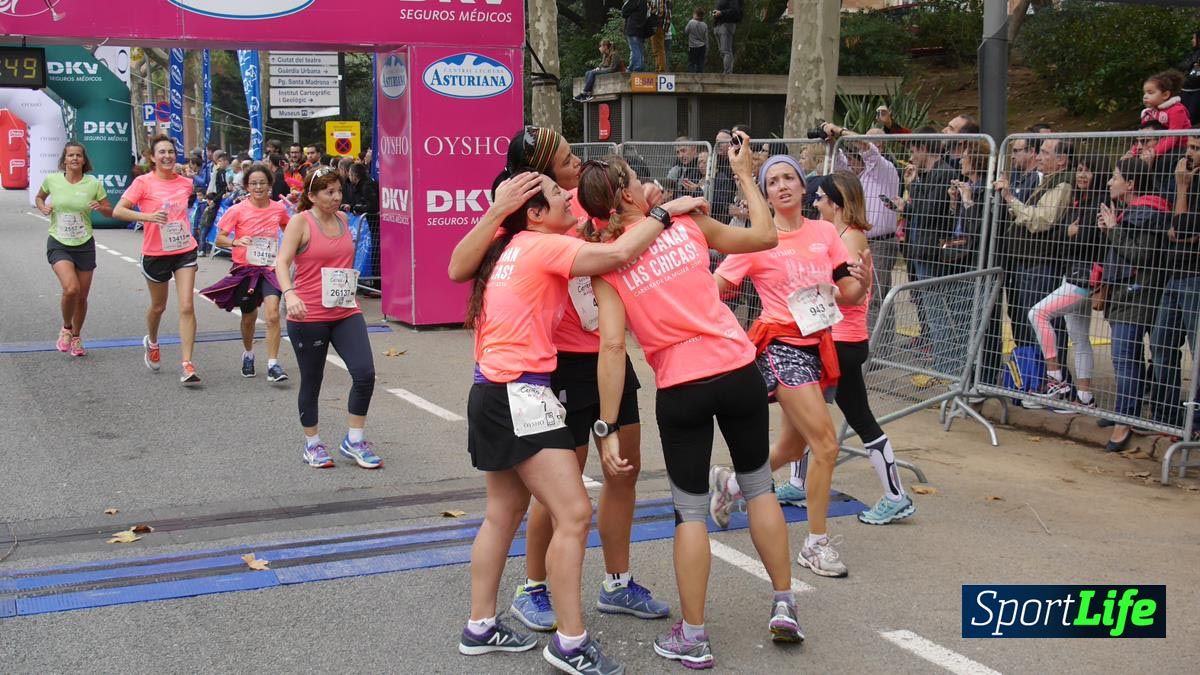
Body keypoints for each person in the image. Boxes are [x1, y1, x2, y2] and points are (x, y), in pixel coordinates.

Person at [448, 126, 686, 643]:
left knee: (574, 487)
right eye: (565, 160)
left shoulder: (560, 212)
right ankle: (559, 623)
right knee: (568, 504)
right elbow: (458, 267)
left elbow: (621, 243)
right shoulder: (534, 225)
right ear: (539, 176)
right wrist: (665, 217)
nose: (576, 163)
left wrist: (644, 209)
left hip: (530, 376)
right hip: (539, 379)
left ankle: (486, 624)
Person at [586, 136, 804, 669]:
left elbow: (613, 347)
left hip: (680, 384)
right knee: (759, 489)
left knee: (688, 514)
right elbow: (764, 235)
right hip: (735, 368)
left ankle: (696, 635)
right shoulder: (685, 224)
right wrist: (746, 175)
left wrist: (606, 424)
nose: (644, 184)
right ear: (627, 193)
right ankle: (783, 604)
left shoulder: (608, 263)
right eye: (634, 180)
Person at [708, 156, 872, 578]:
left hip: (819, 346)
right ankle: (815, 545)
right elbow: (716, 288)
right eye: (772, 181)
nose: (781, 186)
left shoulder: (823, 233)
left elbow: (848, 295)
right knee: (827, 446)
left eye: (789, 178)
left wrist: (864, 279)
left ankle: (730, 484)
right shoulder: (757, 240)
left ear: (803, 188)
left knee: (791, 449)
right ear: (765, 194)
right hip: (781, 348)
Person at [772, 171, 913, 525]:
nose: (815, 204)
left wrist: (806, 286)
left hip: (842, 341)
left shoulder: (849, 239)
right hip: (832, 338)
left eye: (820, 198)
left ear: (836, 203)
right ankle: (797, 482)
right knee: (805, 414)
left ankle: (896, 495)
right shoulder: (839, 235)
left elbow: (847, 292)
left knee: (859, 419)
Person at [276, 167, 381, 470]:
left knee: (364, 373)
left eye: (339, 190)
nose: (337, 197)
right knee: (312, 380)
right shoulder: (300, 222)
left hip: (346, 310)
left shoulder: (345, 220)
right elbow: (282, 262)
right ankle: (313, 444)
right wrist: (289, 293)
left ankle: (355, 440)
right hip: (308, 314)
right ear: (312, 196)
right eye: (329, 192)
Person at [113, 134, 203, 385]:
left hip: (184, 249)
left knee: (186, 305)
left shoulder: (186, 183)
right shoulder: (143, 182)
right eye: (161, 152)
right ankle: (152, 340)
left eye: (171, 152)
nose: (167, 156)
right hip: (155, 253)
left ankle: (187, 364)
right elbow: (119, 210)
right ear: (152, 157)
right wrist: (148, 217)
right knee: (159, 307)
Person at [1097, 157, 1171, 452]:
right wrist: (1111, 229)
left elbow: (1140, 256)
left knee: (1125, 356)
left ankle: (1125, 420)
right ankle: (1125, 410)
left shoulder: (1148, 212)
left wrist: (1115, 229)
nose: (1109, 182)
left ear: (1131, 184)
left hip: (1136, 295)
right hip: (1126, 295)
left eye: (1114, 177)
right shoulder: (1132, 212)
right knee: (1127, 357)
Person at [1027, 152, 1111, 411]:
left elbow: (1091, 240)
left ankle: (1055, 378)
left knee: (1037, 313)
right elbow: (1063, 239)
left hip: (1084, 278)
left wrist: (1074, 233)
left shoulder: (1100, 203)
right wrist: (1069, 233)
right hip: (1074, 273)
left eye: (1088, 170)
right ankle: (1085, 397)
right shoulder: (1079, 201)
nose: (1082, 175)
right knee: (1079, 337)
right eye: (1080, 170)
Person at [200, 164, 291, 382]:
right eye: (253, 183)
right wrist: (235, 241)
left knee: (272, 314)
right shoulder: (237, 210)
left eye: (262, 183)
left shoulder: (278, 209)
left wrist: (290, 249)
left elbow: (289, 231)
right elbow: (220, 237)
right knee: (249, 317)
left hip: (269, 269)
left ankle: (273, 364)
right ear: (247, 186)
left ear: (269, 185)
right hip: (246, 270)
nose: (258, 187)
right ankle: (248, 353)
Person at [36, 142, 114, 357]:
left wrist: (102, 208)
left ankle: (77, 336)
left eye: (78, 155)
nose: (74, 159)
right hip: (59, 242)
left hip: (84, 244)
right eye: (70, 155)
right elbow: (39, 197)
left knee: (82, 297)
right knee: (71, 289)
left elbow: (110, 210)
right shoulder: (52, 180)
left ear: (83, 160)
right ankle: (66, 329)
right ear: (64, 160)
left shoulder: (93, 183)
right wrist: (43, 207)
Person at [1149, 138, 1200, 431]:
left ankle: (1195, 418)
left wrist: (1182, 190)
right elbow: (1171, 227)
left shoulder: (1185, 182)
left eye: (1195, 148)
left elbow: (1182, 229)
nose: (1188, 153)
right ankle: (1167, 413)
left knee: (1197, 348)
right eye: (1188, 146)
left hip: (1194, 276)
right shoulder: (1179, 176)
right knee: (1160, 343)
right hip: (1174, 273)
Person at [1138, 71, 1192, 161]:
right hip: (1158, 148)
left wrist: (1154, 153)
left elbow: (1173, 137)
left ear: (1165, 95)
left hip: (1180, 149)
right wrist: (1133, 153)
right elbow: (1141, 137)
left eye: (1150, 93)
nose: (1145, 96)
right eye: (1145, 93)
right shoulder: (1148, 113)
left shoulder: (1177, 110)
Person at [712, 0, 741, 74]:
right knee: (722, 52)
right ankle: (727, 71)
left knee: (726, 51)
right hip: (718, 25)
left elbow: (735, 11)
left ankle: (727, 73)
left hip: (727, 24)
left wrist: (721, 13)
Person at [1178, 30, 1200, 125]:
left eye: (1194, 38)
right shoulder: (1193, 53)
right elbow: (1182, 66)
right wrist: (1192, 64)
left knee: (1192, 116)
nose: (1192, 40)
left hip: (1197, 91)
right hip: (1186, 90)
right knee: (1185, 116)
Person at [685, 7, 707, 73]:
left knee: (691, 62)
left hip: (692, 46)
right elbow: (706, 38)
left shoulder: (691, 22)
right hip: (702, 46)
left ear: (695, 14)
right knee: (700, 62)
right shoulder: (704, 25)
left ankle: (691, 77)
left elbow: (686, 31)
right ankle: (700, 77)